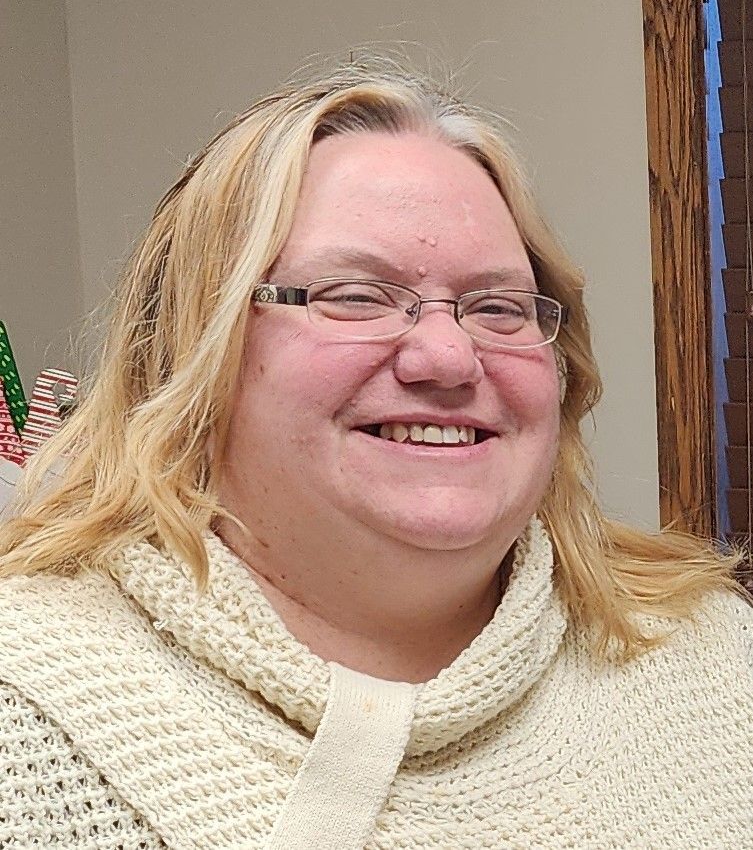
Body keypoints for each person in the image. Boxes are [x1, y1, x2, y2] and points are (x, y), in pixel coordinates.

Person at [0, 53, 751, 849]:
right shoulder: (29, 719)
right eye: (354, 295)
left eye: (496, 306)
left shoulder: (710, 657)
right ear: (192, 345)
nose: (448, 357)